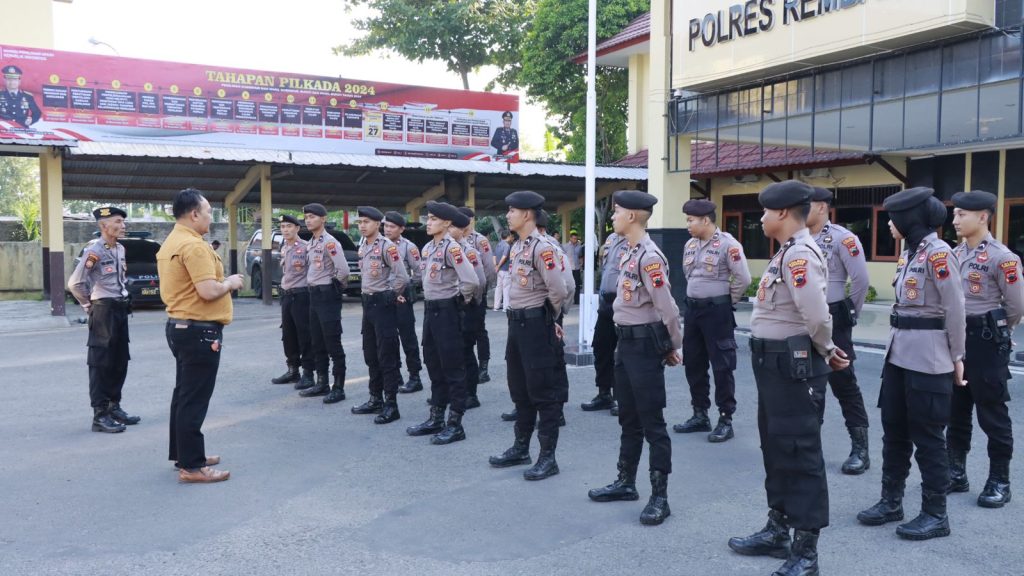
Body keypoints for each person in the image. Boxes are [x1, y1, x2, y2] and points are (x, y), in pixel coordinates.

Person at [727, 180, 848, 575]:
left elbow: (816, 314)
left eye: (764, 212)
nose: (760, 218)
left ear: (781, 214)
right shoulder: (785, 254)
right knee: (776, 449)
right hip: (774, 367)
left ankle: (807, 552)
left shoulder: (800, 256)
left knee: (800, 454)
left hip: (794, 368)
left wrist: (828, 350)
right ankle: (777, 531)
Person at [856, 188, 965, 541]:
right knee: (894, 430)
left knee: (929, 437)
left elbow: (955, 308)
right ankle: (892, 501)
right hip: (899, 354)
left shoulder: (938, 254)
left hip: (929, 358)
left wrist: (958, 356)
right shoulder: (911, 254)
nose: (889, 224)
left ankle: (936, 514)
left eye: (894, 218)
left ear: (910, 219)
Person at [587, 190, 681, 526]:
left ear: (631, 216)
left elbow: (666, 306)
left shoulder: (649, 256)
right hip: (625, 346)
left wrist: (672, 345)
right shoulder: (626, 251)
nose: (612, 217)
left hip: (644, 347)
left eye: (616, 212)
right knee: (628, 418)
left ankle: (660, 496)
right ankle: (626, 482)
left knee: (652, 422)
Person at [158, 188, 243, 483]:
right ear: (194, 214)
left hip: (181, 326)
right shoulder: (193, 246)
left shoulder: (173, 240)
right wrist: (230, 282)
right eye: (208, 212)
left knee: (184, 396)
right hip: (199, 331)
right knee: (193, 399)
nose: (210, 218)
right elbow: (208, 291)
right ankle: (192, 467)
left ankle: (185, 454)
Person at [488, 191, 567, 481]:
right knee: (519, 389)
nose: (508, 215)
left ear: (527, 215)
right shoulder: (518, 246)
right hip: (516, 326)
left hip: (536, 326)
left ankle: (548, 457)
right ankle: (521, 447)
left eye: (512, 211)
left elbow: (559, 289)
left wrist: (550, 318)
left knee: (542, 392)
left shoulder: (542, 247)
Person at [949, 190, 1021, 508]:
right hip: (956, 340)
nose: (955, 220)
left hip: (986, 341)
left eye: (961, 214)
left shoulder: (1002, 257)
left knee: (991, 413)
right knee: (956, 410)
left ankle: (999, 480)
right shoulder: (954, 253)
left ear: (983, 217)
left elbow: (1017, 305)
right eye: (954, 214)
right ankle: (956, 473)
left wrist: (1002, 331)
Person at [807, 187, 872, 474]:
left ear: (821, 207)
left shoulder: (843, 238)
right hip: (804, 319)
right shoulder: (796, 238)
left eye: (805, 205)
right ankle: (810, 449)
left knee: (844, 383)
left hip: (834, 318)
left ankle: (860, 448)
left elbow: (860, 281)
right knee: (809, 385)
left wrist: (849, 314)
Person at [674, 199, 750, 443]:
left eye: (691, 220)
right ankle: (700, 414)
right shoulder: (690, 244)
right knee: (694, 363)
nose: (687, 224)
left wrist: (726, 302)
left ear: (705, 220)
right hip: (693, 312)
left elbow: (743, 279)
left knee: (722, 365)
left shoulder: (728, 244)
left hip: (717, 313)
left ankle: (725, 418)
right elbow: (689, 275)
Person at [406, 201, 479, 444]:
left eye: (433, 219)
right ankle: (436, 417)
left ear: (447, 223)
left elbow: (471, 281)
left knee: (453, 368)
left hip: (448, 310)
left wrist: (459, 301)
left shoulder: (452, 248)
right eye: (428, 218)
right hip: (430, 310)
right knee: (434, 364)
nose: (428, 223)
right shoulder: (427, 247)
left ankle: (455, 423)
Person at [67, 205, 138, 433]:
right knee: (100, 363)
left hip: (120, 309)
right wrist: (89, 306)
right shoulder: (94, 251)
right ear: (103, 225)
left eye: (123, 222)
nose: (123, 226)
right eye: (118, 222)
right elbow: (75, 283)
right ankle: (99, 415)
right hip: (103, 310)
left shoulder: (120, 249)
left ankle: (113, 406)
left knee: (119, 360)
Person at [350, 206, 409, 424]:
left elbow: (402, 276)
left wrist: (391, 295)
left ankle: (391, 404)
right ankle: (375, 398)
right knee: (371, 353)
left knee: (387, 356)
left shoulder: (387, 246)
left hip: (383, 304)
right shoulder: (363, 245)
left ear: (378, 224)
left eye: (366, 222)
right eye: (360, 222)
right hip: (368, 305)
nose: (362, 226)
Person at [298, 203, 353, 404]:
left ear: (323, 219)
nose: (308, 220)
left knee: (332, 342)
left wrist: (335, 289)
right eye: (306, 217)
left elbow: (344, 270)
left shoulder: (331, 243)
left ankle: (338, 387)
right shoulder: (311, 242)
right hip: (313, 295)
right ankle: (322, 382)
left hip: (327, 295)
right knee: (317, 341)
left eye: (312, 217)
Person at [581, 229, 630, 415]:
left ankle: (621, 397)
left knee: (623, 354)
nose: (614, 214)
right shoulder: (610, 238)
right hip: (606, 304)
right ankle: (604, 393)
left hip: (624, 304)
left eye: (618, 211)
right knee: (601, 348)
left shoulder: (635, 240)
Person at [271, 214, 315, 390]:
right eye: (282, 227)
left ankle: (309, 373)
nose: (286, 230)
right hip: (287, 295)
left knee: (304, 335)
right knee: (288, 335)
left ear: (297, 228)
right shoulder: (284, 247)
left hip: (302, 295)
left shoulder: (305, 247)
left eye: (289, 226)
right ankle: (292, 370)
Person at [385, 211, 426, 394]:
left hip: (401, 298)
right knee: (388, 339)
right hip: (383, 298)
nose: (387, 230)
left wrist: (406, 289)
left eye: (392, 227)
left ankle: (414, 377)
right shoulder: (378, 245)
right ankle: (395, 375)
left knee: (407, 339)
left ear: (401, 229)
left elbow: (419, 273)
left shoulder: (409, 247)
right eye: (385, 226)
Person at [451, 214, 487, 409]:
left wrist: (470, 300)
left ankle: (471, 394)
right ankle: (456, 391)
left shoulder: (469, 251)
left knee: (466, 350)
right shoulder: (445, 248)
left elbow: (481, 280)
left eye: (451, 227)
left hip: (466, 305)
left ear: (462, 230)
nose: (448, 231)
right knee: (452, 351)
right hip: (450, 306)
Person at [458, 207, 495, 383]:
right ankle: (466, 366)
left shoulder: (480, 241)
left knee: (479, 331)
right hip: (460, 293)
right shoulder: (454, 240)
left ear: (471, 220)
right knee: (462, 332)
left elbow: (489, 269)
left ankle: (483, 367)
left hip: (477, 294)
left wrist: (480, 293)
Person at [493, 230, 513, 312]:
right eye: (511, 236)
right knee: (506, 288)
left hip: (499, 270)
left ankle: (496, 306)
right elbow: (504, 257)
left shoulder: (498, 244)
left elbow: (493, 256)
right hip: (505, 269)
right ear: (508, 236)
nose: (512, 238)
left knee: (498, 287)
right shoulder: (507, 245)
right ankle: (506, 307)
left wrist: (496, 266)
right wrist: (499, 265)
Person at [562, 231, 584, 304]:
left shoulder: (579, 246)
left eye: (576, 239)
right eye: (574, 238)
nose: (575, 240)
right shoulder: (565, 246)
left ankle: (577, 300)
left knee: (577, 285)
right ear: (570, 238)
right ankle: (568, 300)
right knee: (568, 285)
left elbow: (580, 256)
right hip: (569, 269)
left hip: (577, 268)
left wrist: (581, 265)